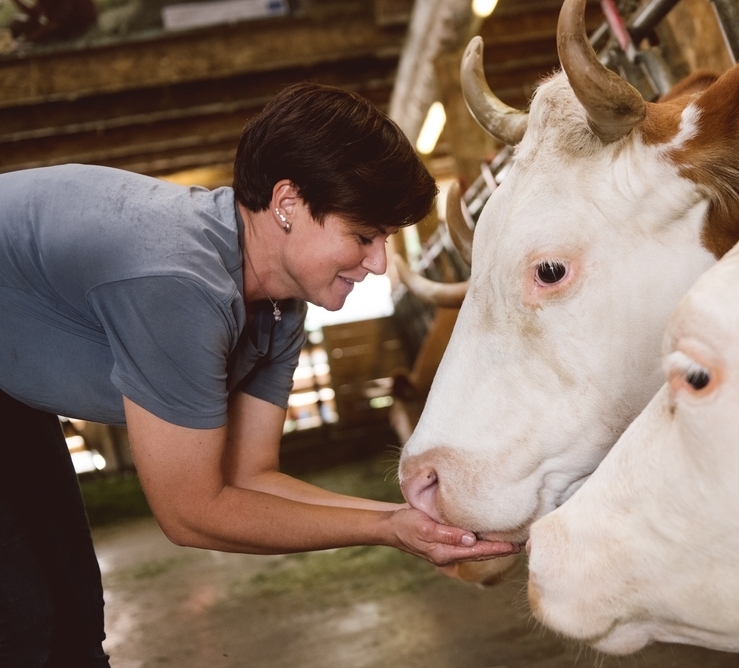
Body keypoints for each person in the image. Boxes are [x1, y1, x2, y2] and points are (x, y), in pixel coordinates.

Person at [0, 82, 519, 667]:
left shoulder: (278, 307)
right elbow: (191, 511)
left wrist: (405, 521)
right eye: (364, 236)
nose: (378, 263)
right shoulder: (182, 280)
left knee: (70, 617)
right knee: (27, 627)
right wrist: (386, 530)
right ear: (288, 204)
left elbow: (248, 476)